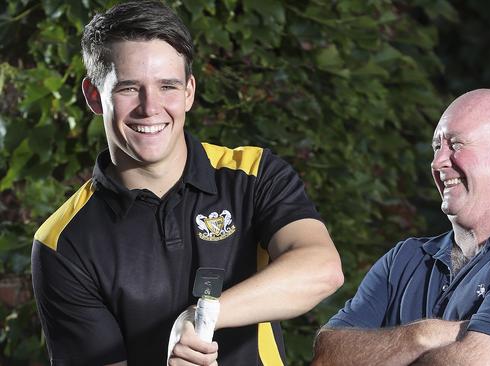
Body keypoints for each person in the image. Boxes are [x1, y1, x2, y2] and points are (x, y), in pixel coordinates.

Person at [30, 1, 344, 365]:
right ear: (93, 96)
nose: (151, 107)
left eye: (168, 86)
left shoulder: (253, 173)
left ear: (190, 92)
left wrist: (200, 316)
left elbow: (322, 269)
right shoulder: (63, 241)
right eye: (129, 88)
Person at [313, 89, 490, 365]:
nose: (438, 161)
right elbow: (328, 355)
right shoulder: (405, 259)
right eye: (437, 146)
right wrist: (424, 335)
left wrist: (382, 354)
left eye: (457, 144)